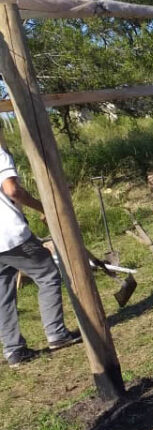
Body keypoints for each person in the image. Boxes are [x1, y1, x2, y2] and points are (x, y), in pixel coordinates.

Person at [1, 147, 81, 368]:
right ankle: (56, 334)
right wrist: (42, 207)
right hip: (9, 236)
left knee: (3, 294)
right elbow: (13, 190)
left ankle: (14, 350)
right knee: (47, 274)